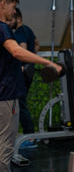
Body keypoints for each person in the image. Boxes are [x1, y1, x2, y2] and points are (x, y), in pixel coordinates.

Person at [0, 0, 62, 171]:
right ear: (3, 4)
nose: (14, 11)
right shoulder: (2, 27)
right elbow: (17, 51)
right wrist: (48, 63)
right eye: (13, 7)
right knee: (4, 148)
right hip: (5, 95)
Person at [13, 8, 39, 147]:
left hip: (23, 71)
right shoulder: (28, 29)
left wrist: (22, 64)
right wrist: (32, 56)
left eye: (12, 18)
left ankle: (30, 137)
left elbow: (21, 48)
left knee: (20, 104)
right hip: (30, 70)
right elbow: (36, 43)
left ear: (18, 18)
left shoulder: (20, 31)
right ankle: (29, 136)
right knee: (21, 103)